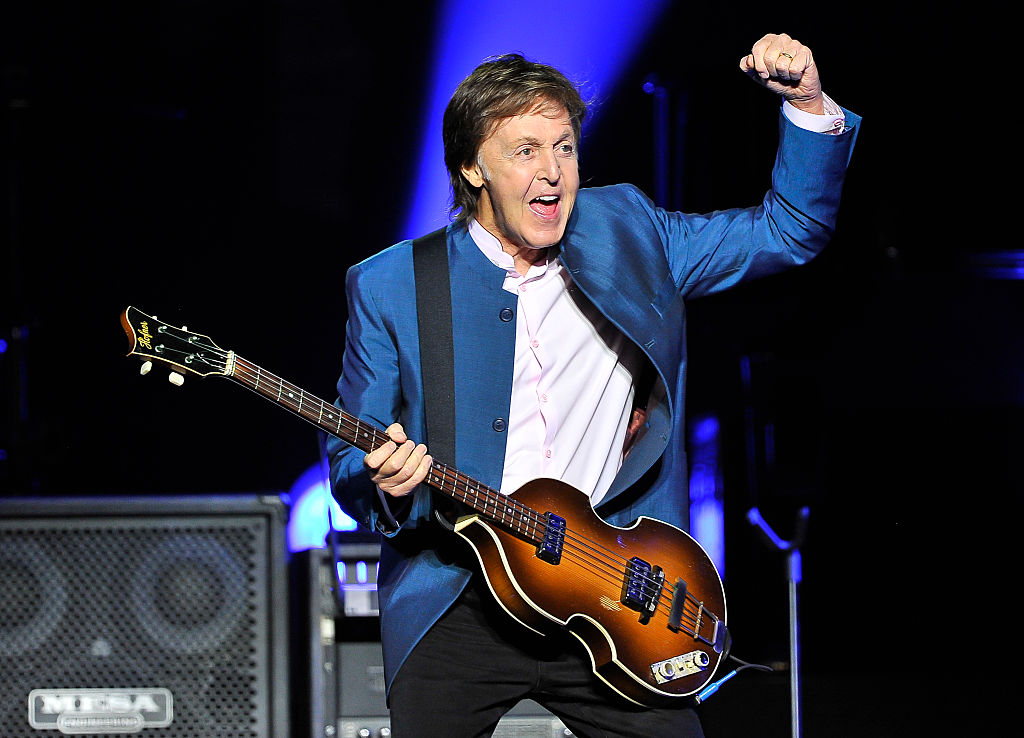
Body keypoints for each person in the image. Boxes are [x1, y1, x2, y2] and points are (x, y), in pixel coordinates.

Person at [329, 32, 859, 737]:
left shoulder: (630, 231)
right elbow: (350, 461)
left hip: (614, 588)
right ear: (472, 167)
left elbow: (791, 230)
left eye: (565, 148)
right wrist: (388, 486)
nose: (552, 173)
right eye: (525, 151)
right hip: (459, 595)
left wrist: (808, 104)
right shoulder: (393, 283)